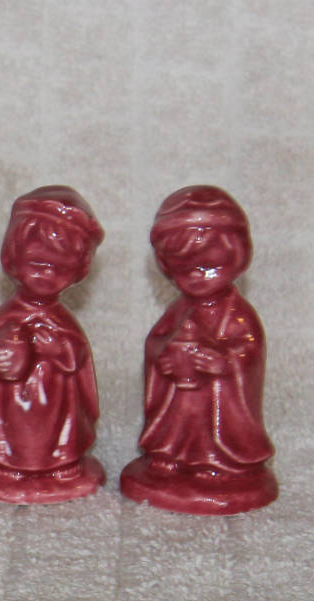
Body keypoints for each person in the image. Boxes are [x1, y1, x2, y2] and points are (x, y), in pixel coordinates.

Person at [121, 185, 277, 515]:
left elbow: (249, 351)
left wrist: (224, 362)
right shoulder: (178, 312)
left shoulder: (238, 315)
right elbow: (155, 343)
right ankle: (169, 456)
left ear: (237, 258)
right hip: (181, 394)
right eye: (185, 269)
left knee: (211, 427)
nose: (198, 278)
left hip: (218, 401)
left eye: (211, 267)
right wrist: (166, 356)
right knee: (177, 422)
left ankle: (216, 462)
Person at [0, 186, 105, 503]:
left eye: (60, 268)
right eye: (37, 263)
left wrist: (58, 351)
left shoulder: (63, 321)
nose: (47, 274)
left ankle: (62, 462)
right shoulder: (7, 316)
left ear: (78, 271)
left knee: (61, 428)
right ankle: (3, 462)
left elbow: (78, 357)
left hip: (56, 402)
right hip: (10, 403)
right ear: (13, 258)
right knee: (6, 427)